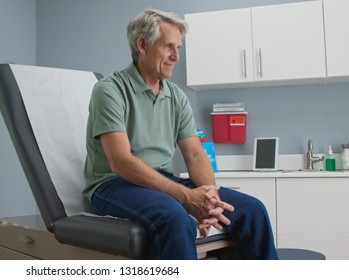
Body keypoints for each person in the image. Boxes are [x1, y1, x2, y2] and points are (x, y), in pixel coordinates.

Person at [83, 8, 278, 260]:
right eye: (168, 47)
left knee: (253, 211)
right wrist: (186, 197)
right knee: (175, 218)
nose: (176, 56)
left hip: (160, 181)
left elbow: (195, 155)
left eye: (178, 48)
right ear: (142, 45)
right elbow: (121, 161)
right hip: (113, 185)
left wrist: (210, 198)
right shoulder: (109, 90)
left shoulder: (175, 95)